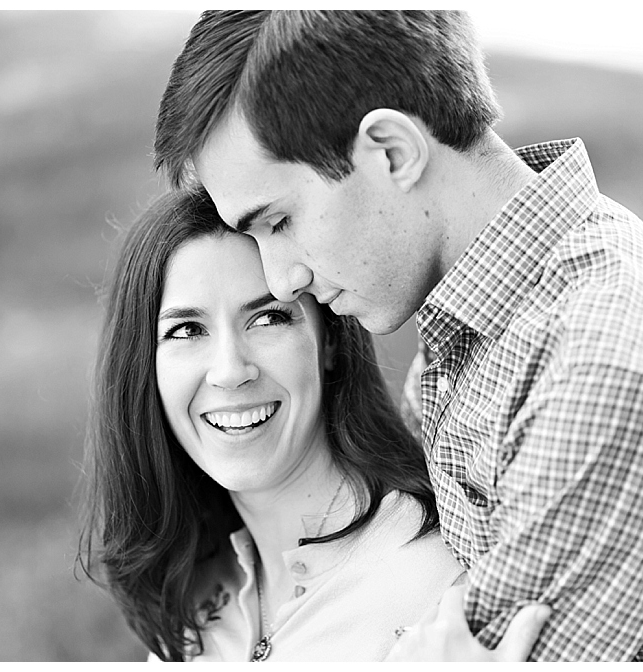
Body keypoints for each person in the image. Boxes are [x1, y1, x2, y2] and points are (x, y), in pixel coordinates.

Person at [151, 10, 643, 662]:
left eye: (279, 222)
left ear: (392, 151)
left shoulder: (612, 370)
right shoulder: (484, 324)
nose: (283, 277)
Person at [76, 188, 549, 662]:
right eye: (186, 330)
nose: (229, 370)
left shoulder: (437, 588)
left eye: (267, 319)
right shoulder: (194, 593)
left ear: (330, 343)